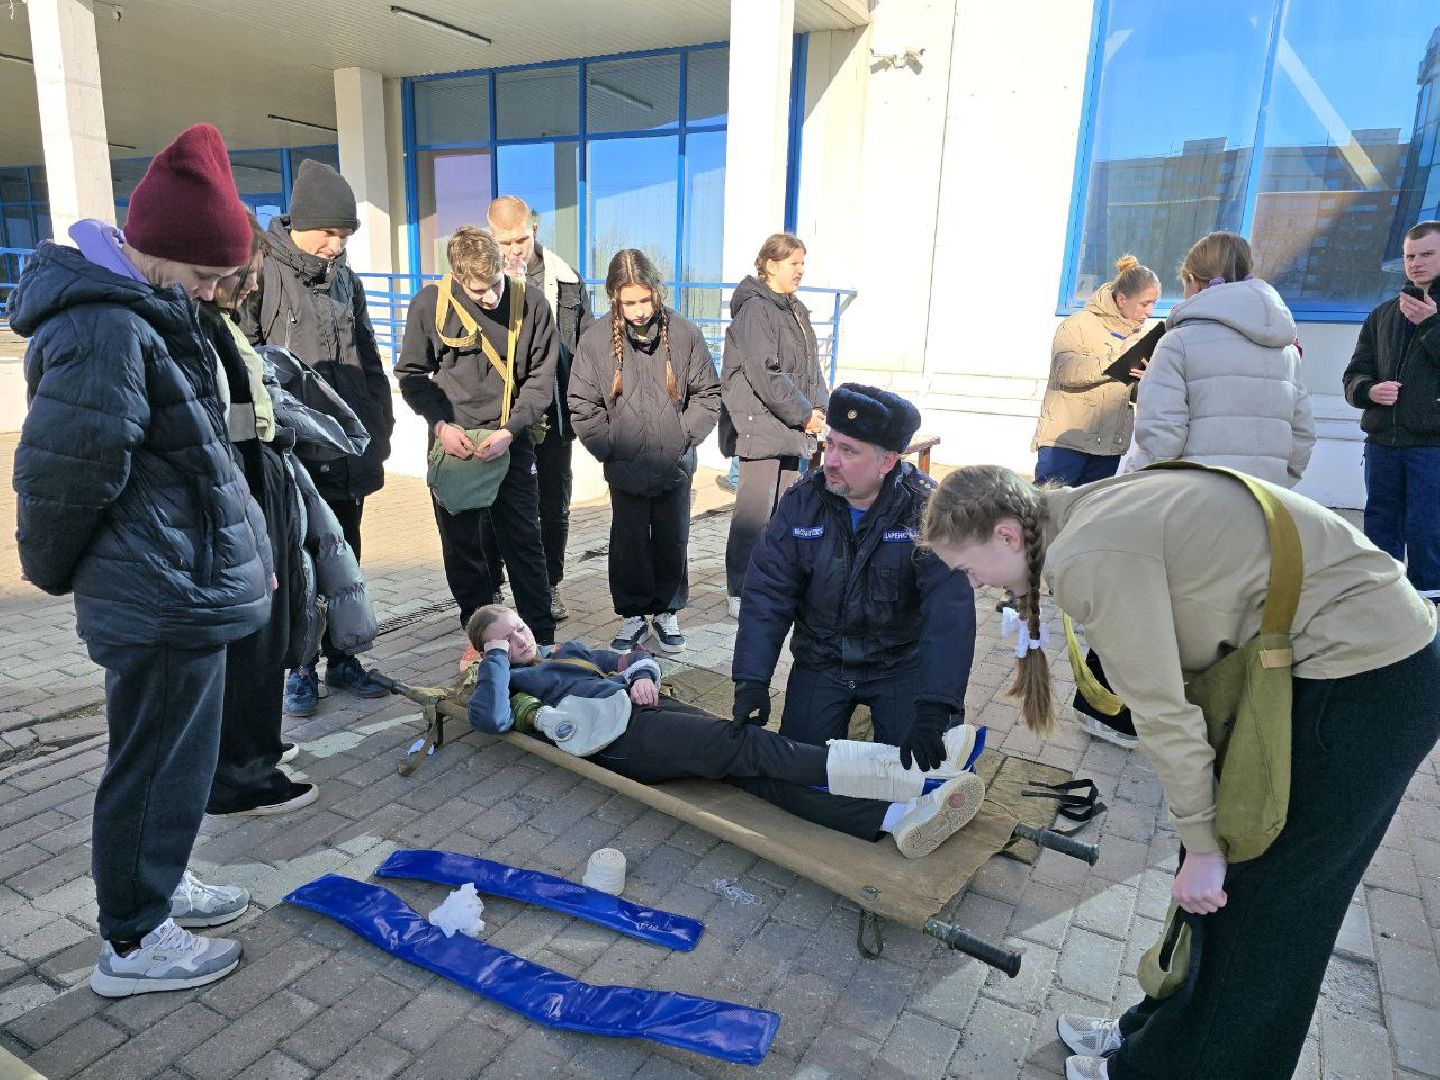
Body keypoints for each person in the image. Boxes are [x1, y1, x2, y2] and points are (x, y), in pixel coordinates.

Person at [920, 464, 1440, 1080]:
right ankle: (1156, 1040)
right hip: (1340, 662)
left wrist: (1200, 845)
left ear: (1008, 535)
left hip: (1368, 683)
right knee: (1228, 887)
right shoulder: (1071, 514)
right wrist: (1204, 844)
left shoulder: (1087, 556)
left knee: (1265, 907)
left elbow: (1165, 715)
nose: (973, 584)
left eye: (967, 567)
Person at [10, 124, 272, 995]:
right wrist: (56, 573)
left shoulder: (150, 311)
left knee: (170, 763)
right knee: (152, 764)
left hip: (175, 582)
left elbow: (195, 453)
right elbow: (64, 479)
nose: (210, 294)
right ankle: (132, 940)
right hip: (154, 592)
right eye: (203, 276)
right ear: (156, 252)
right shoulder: (104, 328)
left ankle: (157, 884)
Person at [466, 606, 987, 858]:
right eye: (503, 641)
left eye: (517, 627)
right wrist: (491, 660)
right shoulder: (512, 684)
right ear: (491, 655)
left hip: (649, 712)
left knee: (753, 774)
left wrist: (642, 676)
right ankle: (912, 774)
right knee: (750, 744)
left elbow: (634, 656)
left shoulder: (565, 649)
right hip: (622, 742)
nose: (519, 639)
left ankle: (893, 818)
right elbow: (490, 720)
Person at [200, 213, 378, 816]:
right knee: (251, 642)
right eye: (243, 276)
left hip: (261, 489)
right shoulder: (198, 328)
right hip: (240, 501)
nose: (250, 287)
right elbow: (224, 426)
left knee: (272, 626)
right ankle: (242, 775)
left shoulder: (220, 322)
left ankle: (259, 749)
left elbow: (250, 410)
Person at [731, 384, 976, 770]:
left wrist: (936, 705)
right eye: (830, 444)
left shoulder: (928, 511)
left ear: (887, 462)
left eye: (848, 451)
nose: (830, 460)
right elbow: (767, 594)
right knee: (799, 770)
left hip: (898, 667)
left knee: (916, 773)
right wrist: (751, 679)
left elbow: (950, 615)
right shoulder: (801, 503)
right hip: (823, 662)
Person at [240, 158, 395, 715]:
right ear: (301, 222)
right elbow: (245, 366)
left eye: (345, 234)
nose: (335, 244)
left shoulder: (345, 280)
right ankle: (300, 669)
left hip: (345, 451)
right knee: (301, 567)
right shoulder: (261, 272)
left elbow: (369, 358)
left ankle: (345, 659)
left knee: (345, 560)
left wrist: (378, 430)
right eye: (329, 231)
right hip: (294, 455)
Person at [396, 225, 560, 657]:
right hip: (455, 443)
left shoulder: (533, 304)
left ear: (505, 266)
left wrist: (512, 429)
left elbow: (542, 380)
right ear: (456, 278)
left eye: (494, 286)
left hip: (511, 438)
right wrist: (440, 427)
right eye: (478, 291)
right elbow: (411, 375)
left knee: (524, 542)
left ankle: (541, 639)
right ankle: (483, 640)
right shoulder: (430, 304)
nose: (489, 297)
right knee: (464, 549)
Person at [568, 248, 721, 653]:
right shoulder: (596, 340)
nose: (638, 310)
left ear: (657, 292)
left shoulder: (685, 334)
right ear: (614, 297)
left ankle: (667, 611)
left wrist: (682, 437)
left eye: (644, 299)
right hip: (625, 467)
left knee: (674, 538)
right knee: (629, 542)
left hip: (675, 464)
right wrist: (610, 447)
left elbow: (708, 394)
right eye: (628, 301)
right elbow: (582, 404)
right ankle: (634, 615)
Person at [481, 196, 594, 622]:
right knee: (493, 502)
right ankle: (492, 589)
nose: (514, 250)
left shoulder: (566, 279)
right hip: (497, 417)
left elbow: (584, 345)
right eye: (505, 242)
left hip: (553, 414)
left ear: (535, 230)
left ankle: (549, 586)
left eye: (521, 239)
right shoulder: (477, 283)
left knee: (553, 503)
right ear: (491, 237)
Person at [1127, 231, 1314, 487]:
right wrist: (1279, 481)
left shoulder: (1178, 343)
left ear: (1192, 281)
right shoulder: (1286, 351)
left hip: (1195, 497)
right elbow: (1302, 433)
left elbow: (1161, 437)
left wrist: (1134, 486)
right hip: (1266, 498)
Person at [719, 233, 829, 618]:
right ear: (770, 265)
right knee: (753, 514)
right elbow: (766, 373)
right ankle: (740, 589)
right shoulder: (755, 310)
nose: (801, 270)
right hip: (761, 426)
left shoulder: (795, 311)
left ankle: (773, 582)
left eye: (802, 263)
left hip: (791, 428)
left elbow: (812, 371)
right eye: (794, 263)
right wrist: (804, 413)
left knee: (785, 512)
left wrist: (821, 410)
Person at [1342, 219, 1440, 601]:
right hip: (1383, 442)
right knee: (1380, 524)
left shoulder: (1428, 316)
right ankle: (1382, 602)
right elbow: (1353, 375)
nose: (1416, 263)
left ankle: (1429, 609)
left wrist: (1431, 325)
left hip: (1431, 446)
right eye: (1409, 256)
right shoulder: (1382, 314)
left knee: (1428, 529)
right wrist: (1369, 390)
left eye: (1427, 254)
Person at [1032, 255, 1160, 485]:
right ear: (1121, 299)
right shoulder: (1079, 323)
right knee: (1049, 513)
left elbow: (1129, 392)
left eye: (1154, 304)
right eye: (1144, 303)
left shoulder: (1138, 335)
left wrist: (1146, 379)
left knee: (1091, 515)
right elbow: (1066, 371)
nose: (1150, 311)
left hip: (1107, 448)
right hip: (1066, 444)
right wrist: (1119, 355)